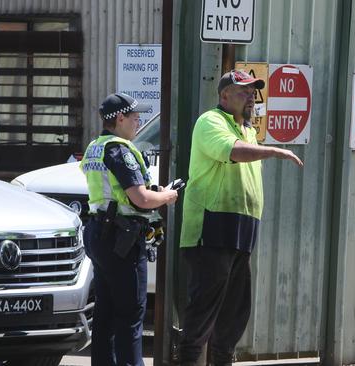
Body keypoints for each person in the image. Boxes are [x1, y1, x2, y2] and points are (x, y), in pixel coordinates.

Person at [178, 70, 304, 366]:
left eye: (253, 91)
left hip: (242, 229)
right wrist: (273, 151)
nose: (252, 97)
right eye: (244, 91)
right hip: (211, 227)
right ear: (224, 96)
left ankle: (222, 359)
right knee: (204, 309)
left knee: (235, 311)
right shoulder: (211, 121)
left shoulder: (248, 129)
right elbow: (232, 151)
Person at [80, 92, 178, 366]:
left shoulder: (95, 147)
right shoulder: (120, 151)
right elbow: (141, 199)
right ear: (120, 118)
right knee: (130, 314)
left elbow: (116, 193)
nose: (139, 121)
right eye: (135, 117)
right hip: (121, 240)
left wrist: (153, 192)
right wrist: (167, 197)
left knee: (106, 312)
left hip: (100, 233)